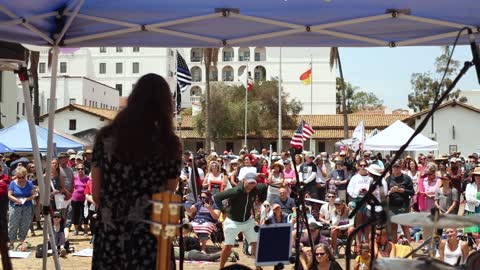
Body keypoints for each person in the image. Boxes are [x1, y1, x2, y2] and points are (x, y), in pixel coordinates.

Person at [91, 74, 182, 269]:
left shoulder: (105, 138)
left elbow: (96, 194)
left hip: (111, 236)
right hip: (152, 239)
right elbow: (169, 191)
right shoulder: (169, 143)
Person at [214, 172, 267, 269]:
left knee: (255, 242)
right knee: (228, 246)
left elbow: (264, 187)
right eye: (250, 182)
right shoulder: (235, 190)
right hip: (232, 221)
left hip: (247, 221)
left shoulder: (256, 189)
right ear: (244, 180)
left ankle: (258, 267)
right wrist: (223, 210)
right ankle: (221, 267)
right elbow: (217, 197)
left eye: (253, 183)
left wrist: (261, 200)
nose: (251, 185)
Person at [7, 166, 35, 251]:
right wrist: (17, 200)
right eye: (18, 177)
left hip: (27, 206)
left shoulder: (29, 183)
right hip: (15, 206)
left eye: (22, 177)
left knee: (25, 224)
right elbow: (9, 195)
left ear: (26, 175)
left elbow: (33, 195)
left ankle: (21, 242)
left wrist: (28, 199)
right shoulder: (13, 183)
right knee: (13, 224)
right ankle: (11, 242)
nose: (21, 179)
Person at [387, 160, 414, 243]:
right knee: (393, 227)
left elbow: (412, 192)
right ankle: (394, 248)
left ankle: (409, 248)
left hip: (403, 205)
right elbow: (384, 192)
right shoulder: (388, 179)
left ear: (401, 167)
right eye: (394, 166)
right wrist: (390, 191)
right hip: (392, 206)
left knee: (405, 227)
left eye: (397, 167)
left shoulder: (406, 178)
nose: (395, 168)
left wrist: (403, 191)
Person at [71, 164, 90, 236]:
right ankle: (76, 230)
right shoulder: (74, 177)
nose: (80, 170)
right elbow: (71, 187)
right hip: (75, 199)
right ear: (76, 170)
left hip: (85, 199)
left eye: (82, 168)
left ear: (84, 169)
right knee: (75, 215)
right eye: (78, 169)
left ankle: (85, 231)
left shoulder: (88, 178)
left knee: (85, 215)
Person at [0, 164, 11, 247]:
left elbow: (8, 189)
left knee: (3, 219)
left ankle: (6, 237)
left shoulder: (5, 177)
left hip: (3, 199)